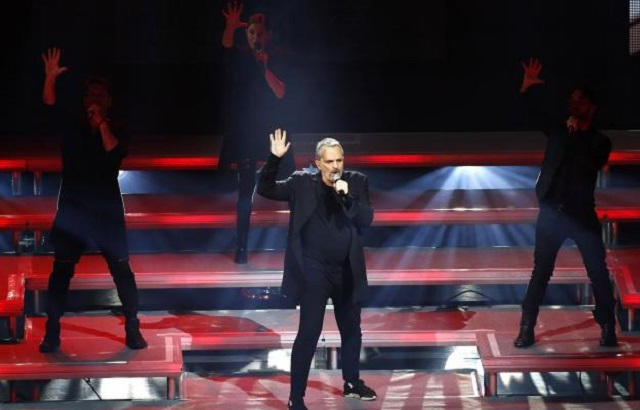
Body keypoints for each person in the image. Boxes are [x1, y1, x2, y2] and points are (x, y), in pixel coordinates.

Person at [257, 129, 377, 410]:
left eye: (339, 161)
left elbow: (366, 219)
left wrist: (347, 197)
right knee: (309, 332)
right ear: (318, 162)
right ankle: (296, 397)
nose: (336, 167)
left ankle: (352, 382)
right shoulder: (301, 183)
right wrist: (274, 159)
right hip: (314, 271)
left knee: (352, 329)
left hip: (346, 268)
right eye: (330, 161)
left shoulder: (356, 182)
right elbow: (265, 189)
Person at [39, 47, 147, 353]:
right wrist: (50, 78)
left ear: (108, 101)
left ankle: (132, 326)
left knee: (122, 270)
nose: (94, 100)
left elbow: (115, 154)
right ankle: (52, 329)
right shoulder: (72, 125)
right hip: (73, 208)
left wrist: (101, 124)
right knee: (61, 272)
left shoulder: (117, 128)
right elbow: (49, 107)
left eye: (100, 96)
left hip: (106, 209)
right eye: (90, 96)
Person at [514, 58, 618, 348]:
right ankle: (526, 327)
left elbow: (586, 165)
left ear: (591, 107)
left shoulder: (598, 141)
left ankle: (607, 326)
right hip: (551, 215)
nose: (573, 105)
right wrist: (527, 88)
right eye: (572, 100)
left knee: (597, 272)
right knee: (541, 273)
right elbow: (530, 114)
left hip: (581, 216)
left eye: (579, 101)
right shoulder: (559, 130)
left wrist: (575, 134)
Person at [220, 1, 293, 264]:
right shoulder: (240, 56)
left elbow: (281, 92)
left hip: (271, 128)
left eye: (260, 33)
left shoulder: (278, 58)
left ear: (268, 35)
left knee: (291, 184)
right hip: (246, 129)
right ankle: (241, 247)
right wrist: (231, 26)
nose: (255, 37)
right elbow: (226, 47)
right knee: (245, 190)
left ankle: (297, 243)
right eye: (251, 33)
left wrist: (265, 68)